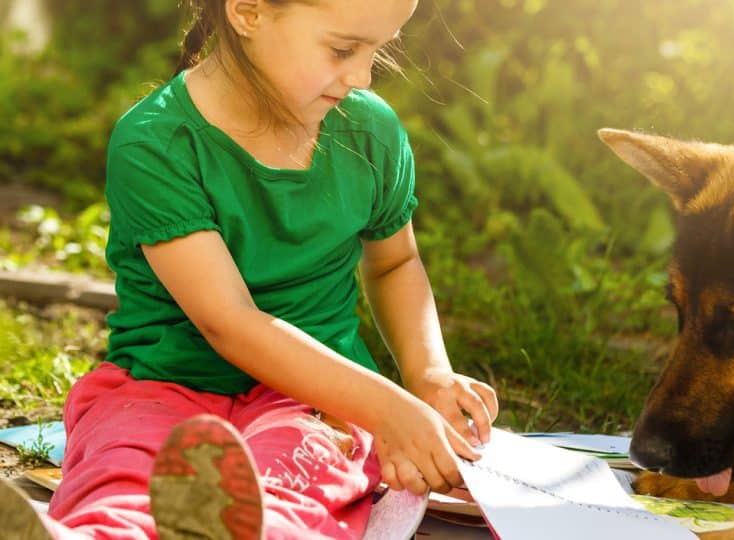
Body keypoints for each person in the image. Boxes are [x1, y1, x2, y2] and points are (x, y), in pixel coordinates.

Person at [0, 0, 499, 537]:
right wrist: (388, 407)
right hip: (162, 384)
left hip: (316, 403)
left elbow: (396, 261)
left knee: (292, 476)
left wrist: (428, 374)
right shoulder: (158, 142)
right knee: (126, 466)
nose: (362, 75)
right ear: (248, 11)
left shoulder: (370, 131)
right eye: (343, 49)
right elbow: (228, 321)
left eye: (380, 48)